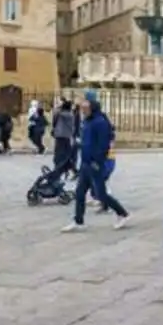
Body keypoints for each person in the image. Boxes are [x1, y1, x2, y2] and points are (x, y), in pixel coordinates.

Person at [61, 98, 129, 232]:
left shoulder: (100, 122)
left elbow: (103, 144)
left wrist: (97, 161)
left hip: (94, 163)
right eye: (82, 108)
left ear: (92, 108)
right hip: (85, 162)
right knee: (80, 192)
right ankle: (78, 221)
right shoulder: (86, 121)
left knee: (101, 194)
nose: (83, 111)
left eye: (85, 108)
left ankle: (123, 214)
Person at [51, 98, 75, 171]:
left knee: (58, 151)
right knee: (67, 151)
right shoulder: (71, 115)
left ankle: (57, 166)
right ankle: (70, 165)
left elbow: (54, 122)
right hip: (67, 135)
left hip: (59, 134)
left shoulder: (59, 114)